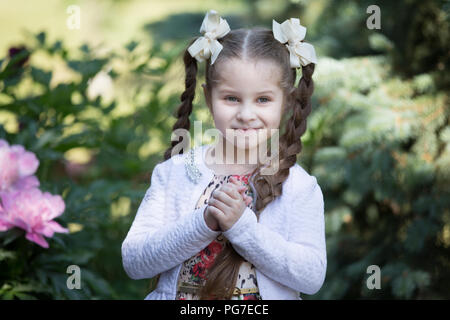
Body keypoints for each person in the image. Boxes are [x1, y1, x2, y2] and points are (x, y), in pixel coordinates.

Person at [121, 9, 326, 300]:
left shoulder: (299, 187)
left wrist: (242, 227)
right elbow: (134, 261)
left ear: (287, 101)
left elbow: (312, 277)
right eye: (231, 98)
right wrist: (204, 223)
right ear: (208, 98)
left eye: (263, 100)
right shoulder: (177, 172)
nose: (246, 114)